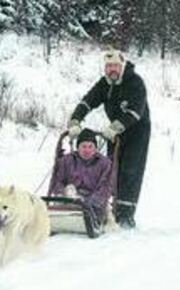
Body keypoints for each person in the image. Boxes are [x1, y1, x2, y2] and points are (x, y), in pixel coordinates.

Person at [66, 48, 151, 229]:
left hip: (137, 131)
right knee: (112, 170)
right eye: (108, 66)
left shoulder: (135, 82)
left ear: (122, 66)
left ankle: (126, 215)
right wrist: (75, 120)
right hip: (114, 132)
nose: (112, 69)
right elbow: (87, 101)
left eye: (115, 66)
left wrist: (115, 127)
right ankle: (109, 210)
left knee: (130, 171)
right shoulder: (104, 84)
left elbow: (136, 111)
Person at [50, 129, 113, 227]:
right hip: (70, 198)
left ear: (95, 148)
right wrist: (64, 192)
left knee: (100, 208)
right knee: (66, 194)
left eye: (90, 146)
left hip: (93, 203)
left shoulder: (104, 163)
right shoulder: (66, 160)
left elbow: (106, 188)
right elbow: (57, 182)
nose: (87, 150)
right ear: (77, 147)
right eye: (83, 146)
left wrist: (88, 203)